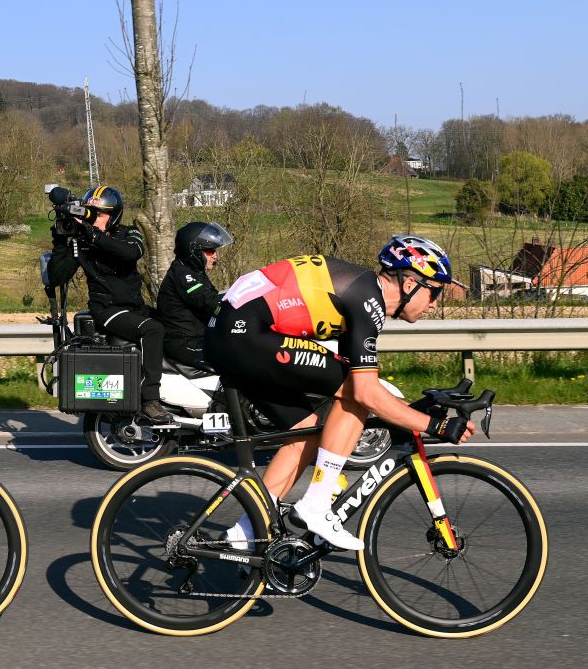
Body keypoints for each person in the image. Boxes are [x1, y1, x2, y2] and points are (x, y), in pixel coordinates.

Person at [204, 235, 475, 551]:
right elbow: (365, 391)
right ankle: (316, 505)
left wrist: (411, 411)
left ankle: (242, 535)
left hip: (231, 334)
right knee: (355, 389)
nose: (435, 302)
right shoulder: (366, 298)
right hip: (244, 334)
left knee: (304, 435)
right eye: (435, 291)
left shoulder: (360, 292)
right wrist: (434, 426)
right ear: (410, 282)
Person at [46, 185, 172, 423]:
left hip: (133, 307)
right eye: (91, 213)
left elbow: (131, 252)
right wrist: (61, 243)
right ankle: (150, 400)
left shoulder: (128, 233)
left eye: (100, 214)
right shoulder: (83, 242)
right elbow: (57, 277)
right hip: (108, 310)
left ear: (113, 215)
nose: (95, 218)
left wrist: (95, 236)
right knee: (152, 329)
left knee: (173, 326)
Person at [155, 221, 234, 368]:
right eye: (210, 251)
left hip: (197, 337)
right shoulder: (184, 275)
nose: (215, 256)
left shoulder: (193, 271)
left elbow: (216, 297)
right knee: (237, 357)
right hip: (184, 343)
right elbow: (211, 302)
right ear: (193, 250)